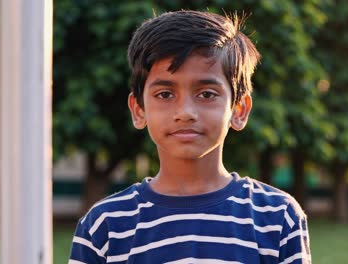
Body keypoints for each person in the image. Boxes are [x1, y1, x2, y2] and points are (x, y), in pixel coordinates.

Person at [69, 10, 311, 264]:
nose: (185, 113)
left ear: (239, 110)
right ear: (138, 109)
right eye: (165, 94)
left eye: (206, 94)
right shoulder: (105, 225)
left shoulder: (276, 216)